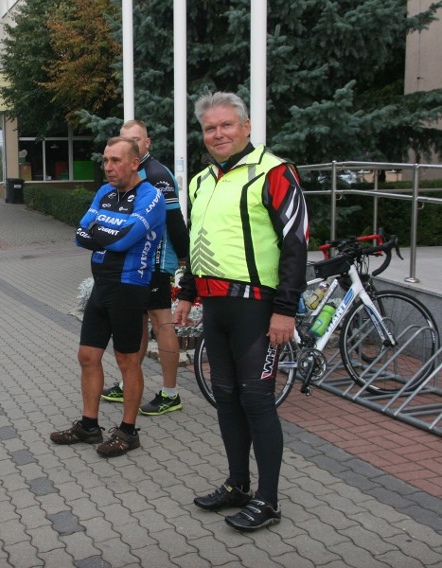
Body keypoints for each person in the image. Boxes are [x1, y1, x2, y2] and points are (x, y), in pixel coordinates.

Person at [174, 93, 308, 531]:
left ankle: (268, 500)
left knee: (257, 401)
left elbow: (295, 244)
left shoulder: (274, 172)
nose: (218, 134)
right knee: (226, 399)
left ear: (246, 127)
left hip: (257, 307)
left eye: (226, 125)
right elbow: (198, 240)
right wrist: (187, 293)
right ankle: (237, 485)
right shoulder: (200, 181)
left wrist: (285, 310)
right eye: (210, 128)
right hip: (215, 306)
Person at [50, 136, 165, 458]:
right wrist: (109, 232)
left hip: (130, 287)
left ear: (134, 163)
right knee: (87, 356)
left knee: (127, 361)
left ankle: (128, 432)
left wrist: (105, 231)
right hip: (101, 285)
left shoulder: (151, 197)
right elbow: (80, 234)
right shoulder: (104, 193)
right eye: (105, 160)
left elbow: (124, 238)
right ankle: (89, 425)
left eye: (116, 161)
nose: (109, 167)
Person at [101, 120, 190, 416]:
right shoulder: (129, 174)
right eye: (126, 140)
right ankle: (130, 383)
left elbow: (176, 221)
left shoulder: (157, 175)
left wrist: (186, 260)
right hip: (133, 261)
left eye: (136, 140)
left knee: (160, 319)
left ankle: (170, 392)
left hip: (155, 260)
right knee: (136, 320)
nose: (132, 144)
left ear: (147, 142)